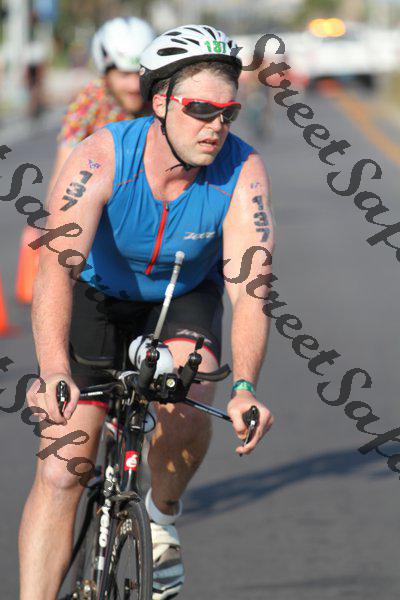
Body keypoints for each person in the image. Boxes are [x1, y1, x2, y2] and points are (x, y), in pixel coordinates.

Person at [20, 25, 275, 600]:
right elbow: (55, 270)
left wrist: (245, 386)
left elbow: (251, 288)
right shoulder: (102, 155)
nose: (216, 126)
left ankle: (160, 518)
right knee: (61, 469)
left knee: (186, 401)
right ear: (160, 102)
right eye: (200, 109)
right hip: (96, 298)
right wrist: (53, 369)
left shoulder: (243, 169)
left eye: (229, 113)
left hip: (182, 296)